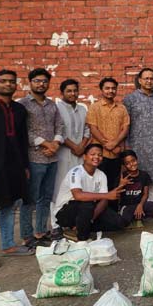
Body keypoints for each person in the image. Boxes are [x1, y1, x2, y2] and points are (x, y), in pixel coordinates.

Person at [0, 70, 34, 270]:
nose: (8, 84)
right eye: (3, 81)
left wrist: (25, 166)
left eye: (11, 82)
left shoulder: (19, 110)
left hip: (15, 166)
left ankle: (9, 245)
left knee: (10, 206)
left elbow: (22, 140)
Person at [18, 68, 66, 247]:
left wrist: (55, 143)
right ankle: (27, 236)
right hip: (34, 158)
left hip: (52, 158)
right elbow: (24, 131)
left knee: (45, 198)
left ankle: (40, 232)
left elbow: (60, 125)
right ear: (30, 82)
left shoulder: (51, 104)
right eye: (37, 81)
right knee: (30, 199)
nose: (41, 84)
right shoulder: (23, 104)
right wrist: (46, 144)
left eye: (44, 81)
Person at [53, 144, 128, 241]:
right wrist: (108, 195)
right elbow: (78, 195)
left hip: (87, 210)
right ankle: (81, 237)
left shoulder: (101, 175)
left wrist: (90, 219)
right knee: (87, 203)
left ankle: (79, 227)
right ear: (84, 157)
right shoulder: (75, 172)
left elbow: (104, 201)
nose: (97, 157)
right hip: (65, 212)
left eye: (100, 155)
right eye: (93, 154)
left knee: (119, 222)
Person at [123, 68, 153, 202]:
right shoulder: (130, 99)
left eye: (151, 78)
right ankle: (136, 206)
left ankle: (152, 203)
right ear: (139, 80)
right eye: (146, 78)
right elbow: (125, 123)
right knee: (138, 173)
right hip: (136, 144)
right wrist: (126, 145)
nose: (149, 81)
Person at [51, 79, 90, 234]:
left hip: (80, 155)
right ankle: (55, 224)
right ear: (62, 93)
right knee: (60, 188)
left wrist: (82, 146)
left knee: (79, 186)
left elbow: (87, 129)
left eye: (75, 90)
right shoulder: (57, 108)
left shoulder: (82, 109)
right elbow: (58, 130)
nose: (73, 94)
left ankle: (73, 221)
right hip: (63, 154)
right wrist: (74, 146)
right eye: (69, 91)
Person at [86, 77, 129, 209]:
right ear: (102, 90)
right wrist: (108, 145)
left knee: (114, 185)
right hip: (99, 156)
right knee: (98, 186)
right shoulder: (94, 108)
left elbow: (125, 128)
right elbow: (93, 128)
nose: (110, 91)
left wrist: (115, 144)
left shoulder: (121, 108)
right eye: (107, 88)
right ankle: (97, 215)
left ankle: (113, 215)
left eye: (113, 88)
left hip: (116, 155)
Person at [117, 150, 153, 228]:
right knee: (123, 221)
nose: (132, 164)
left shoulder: (144, 175)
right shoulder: (122, 177)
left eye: (133, 161)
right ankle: (137, 218)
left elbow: (145, 194)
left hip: (141, 204)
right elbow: (116, 195)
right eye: (128, 163)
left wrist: (140, 205)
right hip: (128, 206)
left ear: (137, 160)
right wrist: (121, 184)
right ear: (124, 165)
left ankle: (139, 216)